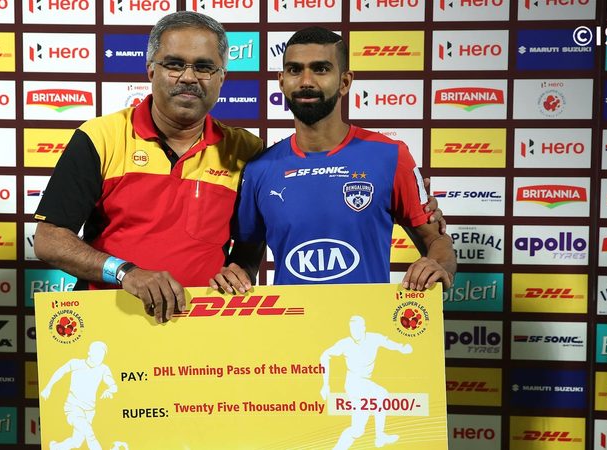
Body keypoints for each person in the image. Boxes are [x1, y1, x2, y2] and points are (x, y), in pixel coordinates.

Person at [34, 12, 446, 324]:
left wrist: (239, 273)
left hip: (208, 331)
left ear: (221, 78)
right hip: (110, 321)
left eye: (204, 67)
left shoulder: (246, 152)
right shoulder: (101, 137)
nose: (188, 77)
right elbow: (49, 240)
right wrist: (126, 273)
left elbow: (247, 251)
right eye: (175, 64)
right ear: (151, 70)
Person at [227, 27, 456, 289]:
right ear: (281, 81)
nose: (306, 81)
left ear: (345, 82)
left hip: (367, 316)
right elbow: (245, 260)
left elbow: (437, 240)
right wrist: (234, 276)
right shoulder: (259, 169)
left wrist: (437, 264)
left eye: (321, 69)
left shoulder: (391, 156)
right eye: (294, 70)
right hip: (292, 317)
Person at [320, 316, 413, 449]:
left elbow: (389, 343)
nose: (354, 332)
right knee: (381, 394)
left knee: (357, 431)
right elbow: (324, 355)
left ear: (363, 328)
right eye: (352, 329)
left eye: (357, 329)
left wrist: (402, 348)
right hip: (353, 383)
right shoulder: (345, 344)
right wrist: (325, 384)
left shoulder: (374, 339)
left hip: (364, 384)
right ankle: (380, 436)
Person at [40, 341, 118, 450]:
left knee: (76, 442)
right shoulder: (76, 363)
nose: (100, 358)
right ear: (89, 352)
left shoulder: (103, 369)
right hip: (73, 407)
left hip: (90, 411)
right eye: (97, 354)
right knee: (90, 434)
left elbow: (114, 386)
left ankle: (55, 447)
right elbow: (60, 372)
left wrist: (109, 391)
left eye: (102, 355)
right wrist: (48, 387)